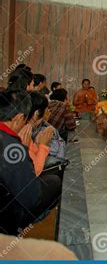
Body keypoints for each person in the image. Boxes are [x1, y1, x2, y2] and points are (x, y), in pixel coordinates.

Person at [0, 90, 61, 235]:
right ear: (18, 118)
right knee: (54, 181)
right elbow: (32, 198)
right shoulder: (12, 146)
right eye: (24, 120)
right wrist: (28, 149)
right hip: (6, 218)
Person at [21, 91, 55, 176]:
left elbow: (31, 154)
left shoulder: (26, 126)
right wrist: (43, 146)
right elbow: (33, 172)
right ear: (37, 113)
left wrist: (37, 144)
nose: (48, 113)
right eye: (46, 110)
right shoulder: (24, 131)